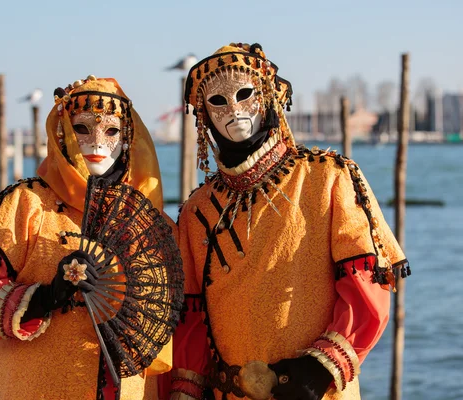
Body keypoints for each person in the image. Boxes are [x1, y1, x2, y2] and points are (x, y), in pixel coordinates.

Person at [166, 43, 410, 400]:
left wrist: (320, 368)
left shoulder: (328, 179)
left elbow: (367, 288)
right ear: (204, 116)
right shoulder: (197, 212)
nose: (233, 108)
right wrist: (185, 390)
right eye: (217, 101)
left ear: (268, 98)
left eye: (244, 93)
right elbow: (191, 318)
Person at [0, 76, 178, 400]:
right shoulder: (25, 205)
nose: (96, 143)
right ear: (62, 132)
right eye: (82, 128)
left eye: (111, 131)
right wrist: (42, 298)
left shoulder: (147, 225)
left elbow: (162, 337)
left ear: (128, 139)